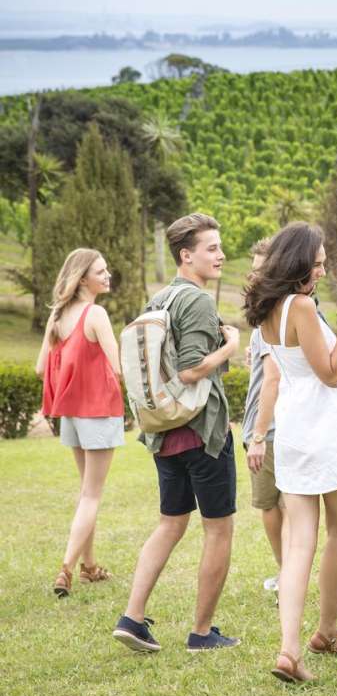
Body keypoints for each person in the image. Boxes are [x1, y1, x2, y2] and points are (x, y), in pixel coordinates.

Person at [243, 222, 337, 684]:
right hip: (328, 430)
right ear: (297, 261)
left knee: (299, 542)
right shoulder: (300, 306)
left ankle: (289, 651)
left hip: (294, 430)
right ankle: (327, 632)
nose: (322, 270)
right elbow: (332, 373)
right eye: (316, 263)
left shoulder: (268, 308)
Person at [113, 213, 241, 654]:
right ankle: (202, 634)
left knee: (169, 524)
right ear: (187, 255)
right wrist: (230, 347)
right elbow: (190, 369)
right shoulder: (198, 301)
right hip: (203, 434)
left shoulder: (159, 299)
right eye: (212, 248)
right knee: (218, 530)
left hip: (164, 435)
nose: (221, 255)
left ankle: (132, 618)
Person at [36, 248, 124, 598]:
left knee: (87, 491)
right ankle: (67, 568)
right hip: (99, 411)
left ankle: (89, 566)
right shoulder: (95, 314)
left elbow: (41, 367)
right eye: (101, 272)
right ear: (83, 278)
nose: (107, 276)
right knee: (91, 494)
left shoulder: (57, 315)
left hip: (71, 414)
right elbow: (118, 366)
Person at [242, 238, 285, 593]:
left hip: (268, 430)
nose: (254, 277)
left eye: (262, 270)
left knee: (270, 505)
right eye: (253, 270)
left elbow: (274, 378)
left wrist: (257, 436)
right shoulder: (278, 314)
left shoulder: (271, 315)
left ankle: (288, 572)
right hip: (275, 426)